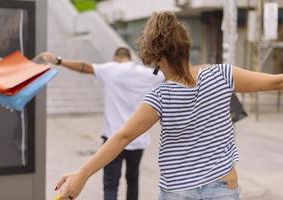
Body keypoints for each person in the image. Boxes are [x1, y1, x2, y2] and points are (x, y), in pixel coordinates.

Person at [54, 11, 283, 200]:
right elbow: (277, 82)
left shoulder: (160, 96)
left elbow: (122, 137)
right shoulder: (222, 75)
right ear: (185, 46)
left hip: (178, 191)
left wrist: (82, 174)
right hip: (223, 186)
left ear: (157, 57)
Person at [39, 47, 164, 200]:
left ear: (115, 58)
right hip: (137, 139)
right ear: (129, 57)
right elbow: (172, 75)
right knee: (133, 180)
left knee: (110, 185)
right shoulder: (147, 74)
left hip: (112, 141)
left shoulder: (109, 69)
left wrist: (58, 61)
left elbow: (84, 67)